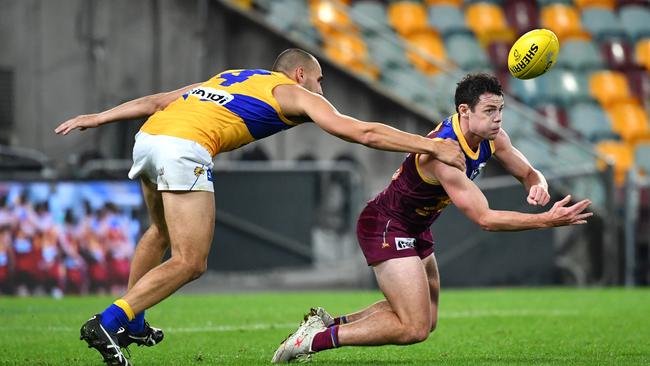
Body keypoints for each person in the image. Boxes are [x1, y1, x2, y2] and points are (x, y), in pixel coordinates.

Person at [54, 48, 466, 366]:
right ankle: (108, 322)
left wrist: (99, 117)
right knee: (190, 261)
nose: (322, 91)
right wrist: (431, 144)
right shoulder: (294, 93)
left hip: (148, 139)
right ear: (300, 74)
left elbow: (159, 100)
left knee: (159, 233)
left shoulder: (233, 78)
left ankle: (135, 321)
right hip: (184, 148)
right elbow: (363, 132)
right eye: (320, 81)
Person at [271, 73, 593, 363]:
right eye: (490, 111)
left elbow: (528, 172)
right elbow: (484, 218)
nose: (498, 119)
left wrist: (538, 184)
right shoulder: (445, 152)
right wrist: (546, 220)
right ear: (464, 111)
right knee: (414, 327)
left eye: (501, 110)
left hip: (416, 227)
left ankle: (328, 324)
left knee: (428, 317)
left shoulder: (494, 137)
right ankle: (313, 340)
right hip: (386, 223)